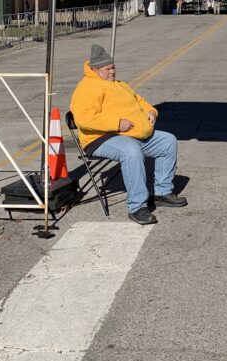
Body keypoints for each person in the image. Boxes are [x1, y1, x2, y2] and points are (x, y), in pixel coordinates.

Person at [69, 44, 185, 225]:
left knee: (168, 141)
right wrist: (117, 124)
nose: (112, 71)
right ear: (95, 70)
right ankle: (137, 207)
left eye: (113, 67)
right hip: (100, 138)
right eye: (107, 69)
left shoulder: (119, 85)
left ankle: (162, 192)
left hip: (131, 133)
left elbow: (139, 100)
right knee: (131, 151)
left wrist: (151, 111)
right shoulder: (87, 88)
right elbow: (84, 119)